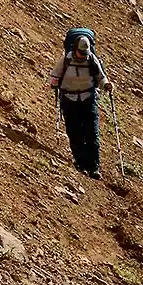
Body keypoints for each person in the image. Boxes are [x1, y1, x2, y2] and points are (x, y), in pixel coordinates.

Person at [48, 28, 112, 179]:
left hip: (88, 98)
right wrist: (54, 83)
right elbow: (54, 75)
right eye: (81, 53)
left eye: (85, 53)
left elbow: (101, 78)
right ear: (75, 49)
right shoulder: (66, 60)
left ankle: (94, 166)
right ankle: (80, 163)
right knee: (74, 132)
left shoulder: (91, 59)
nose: (83, 56)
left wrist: (107, 85)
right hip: (69, 100)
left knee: (92, 134)